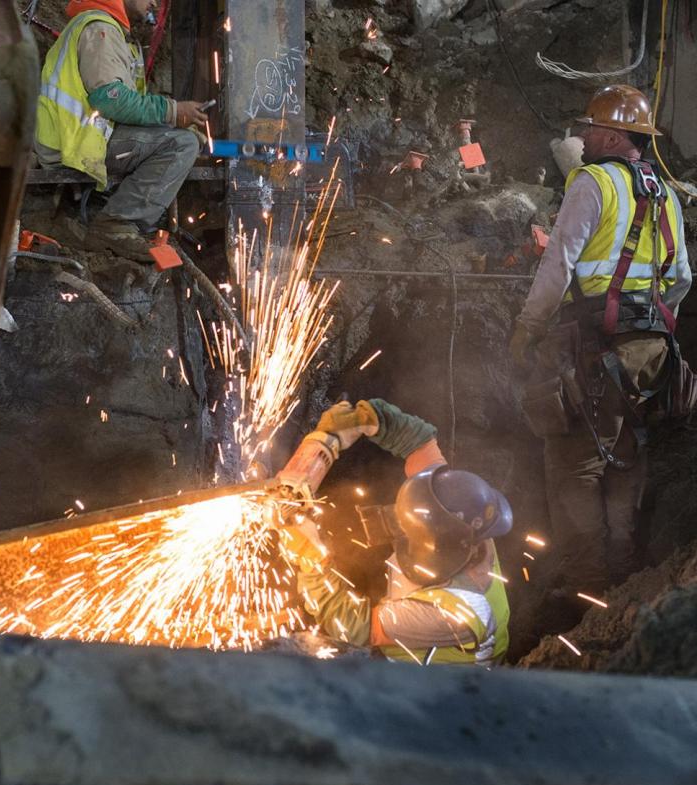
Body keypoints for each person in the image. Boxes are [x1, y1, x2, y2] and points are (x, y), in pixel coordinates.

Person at [509, 85, 691, 595]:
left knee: (575, 465)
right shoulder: (666, 193)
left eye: (589, 128)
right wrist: (655, 324)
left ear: (611, 134)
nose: (582, 137)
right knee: (629, 451)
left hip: (593, 348)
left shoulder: (591, 182)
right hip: (650, 355)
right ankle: (625, 569)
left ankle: (587, 589)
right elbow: (680, 279)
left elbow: (558, 261)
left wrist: (529, 326)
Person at [279, 399, 512, 666]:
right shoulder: (464, 518)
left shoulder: (447, 612)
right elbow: (420, 442)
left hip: (435, 687)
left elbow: (354, 628)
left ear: (430, 544)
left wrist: (311, 560)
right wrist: (370, 420)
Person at [35, 0, 208, 262]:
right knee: (181, 145)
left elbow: (126, 110)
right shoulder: (100, 30)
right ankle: (115, 225)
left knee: (177, 139)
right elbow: (109, 99)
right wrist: (173, 112)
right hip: (73, 143)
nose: (154, 3)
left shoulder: (109, 30)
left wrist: (167, 125)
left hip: (80, 138)